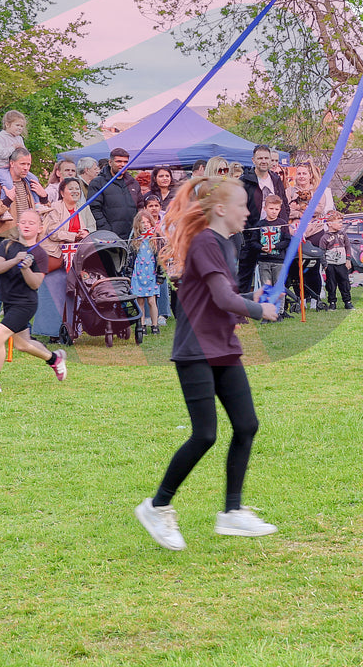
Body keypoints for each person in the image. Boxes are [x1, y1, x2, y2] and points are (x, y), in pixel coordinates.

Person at [135, 175, 280, 551]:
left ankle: (231, 512)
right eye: (242, 206)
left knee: (246, 425)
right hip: (196, 349)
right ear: (220, 209)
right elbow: (222, 299)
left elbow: (225, 295)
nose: (248, 212)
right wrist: (259, 310)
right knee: (205, 434)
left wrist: (252, 297)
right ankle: (157, 506)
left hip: (223, 346)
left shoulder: (224, 244)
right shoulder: (205, 242)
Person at [0, 209, 68, 394]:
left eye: (31, 223)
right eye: (23, 222)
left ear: (40, 228)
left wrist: (26, 268)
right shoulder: (7, 245)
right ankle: (54, 359)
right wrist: (15, 260)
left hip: (25, 303)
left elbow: (35, 284)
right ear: (18, 225)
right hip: (9, 302)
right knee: (22, 344)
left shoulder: (40, 254)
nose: (26, 225)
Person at [240, 145, 287, 293]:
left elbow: (284, 204)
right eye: (260, 158)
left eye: (266, 158)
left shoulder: (276, 179)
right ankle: (241, 304)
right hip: (252, 233)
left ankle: (278, 305)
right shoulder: (245, 181)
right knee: (245, 274)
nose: (264, 161)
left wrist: (284, 227)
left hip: (275, 234)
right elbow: (238, 206)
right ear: (253, 160)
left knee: (277, 275)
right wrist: (246, 228)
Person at [40, 178, 94, 271]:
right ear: (62, 193)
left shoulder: (84, 207)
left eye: (77, 189)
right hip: (59, 253)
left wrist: (86, 232)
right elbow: (53, 233)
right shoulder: (55, 207)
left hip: (81, 251)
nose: (75, 191)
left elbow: (93, 227)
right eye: (71, 189)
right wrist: (74, 236)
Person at [90, 148, 140, 238]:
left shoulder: (133, 183)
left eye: (125, 162)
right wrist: (106, 230)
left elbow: (140, 206)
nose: (122, 165)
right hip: (109, 236)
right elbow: (94, 209)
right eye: (119, 161)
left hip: (132, 235)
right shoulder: (98, 183)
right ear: (110, 162)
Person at [314, 211, 355, 310]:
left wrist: (348, 259)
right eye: (338, 222)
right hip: (330, 264)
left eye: (342, 222)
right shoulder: (324, 238)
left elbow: (348, 247)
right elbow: (321, 252)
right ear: (329, 223)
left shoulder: (343, 234)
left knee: (344, 283)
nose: (341, 224)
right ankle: (332, 302)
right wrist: (325, 265)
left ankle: (347, 301)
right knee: (331, 284)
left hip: (342, 264)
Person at [131, 209, 163, 335]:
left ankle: (155, 325)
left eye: (147, 222)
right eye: (142, 222)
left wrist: (160, 275)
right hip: (138, 274)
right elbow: (130, 259)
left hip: (151, 274)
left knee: (151, 301)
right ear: (137, 224)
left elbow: (161, 259)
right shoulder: (134, 240)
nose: (145, 225)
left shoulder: (156, 239)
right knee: (140, 302)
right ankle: (142, 325)